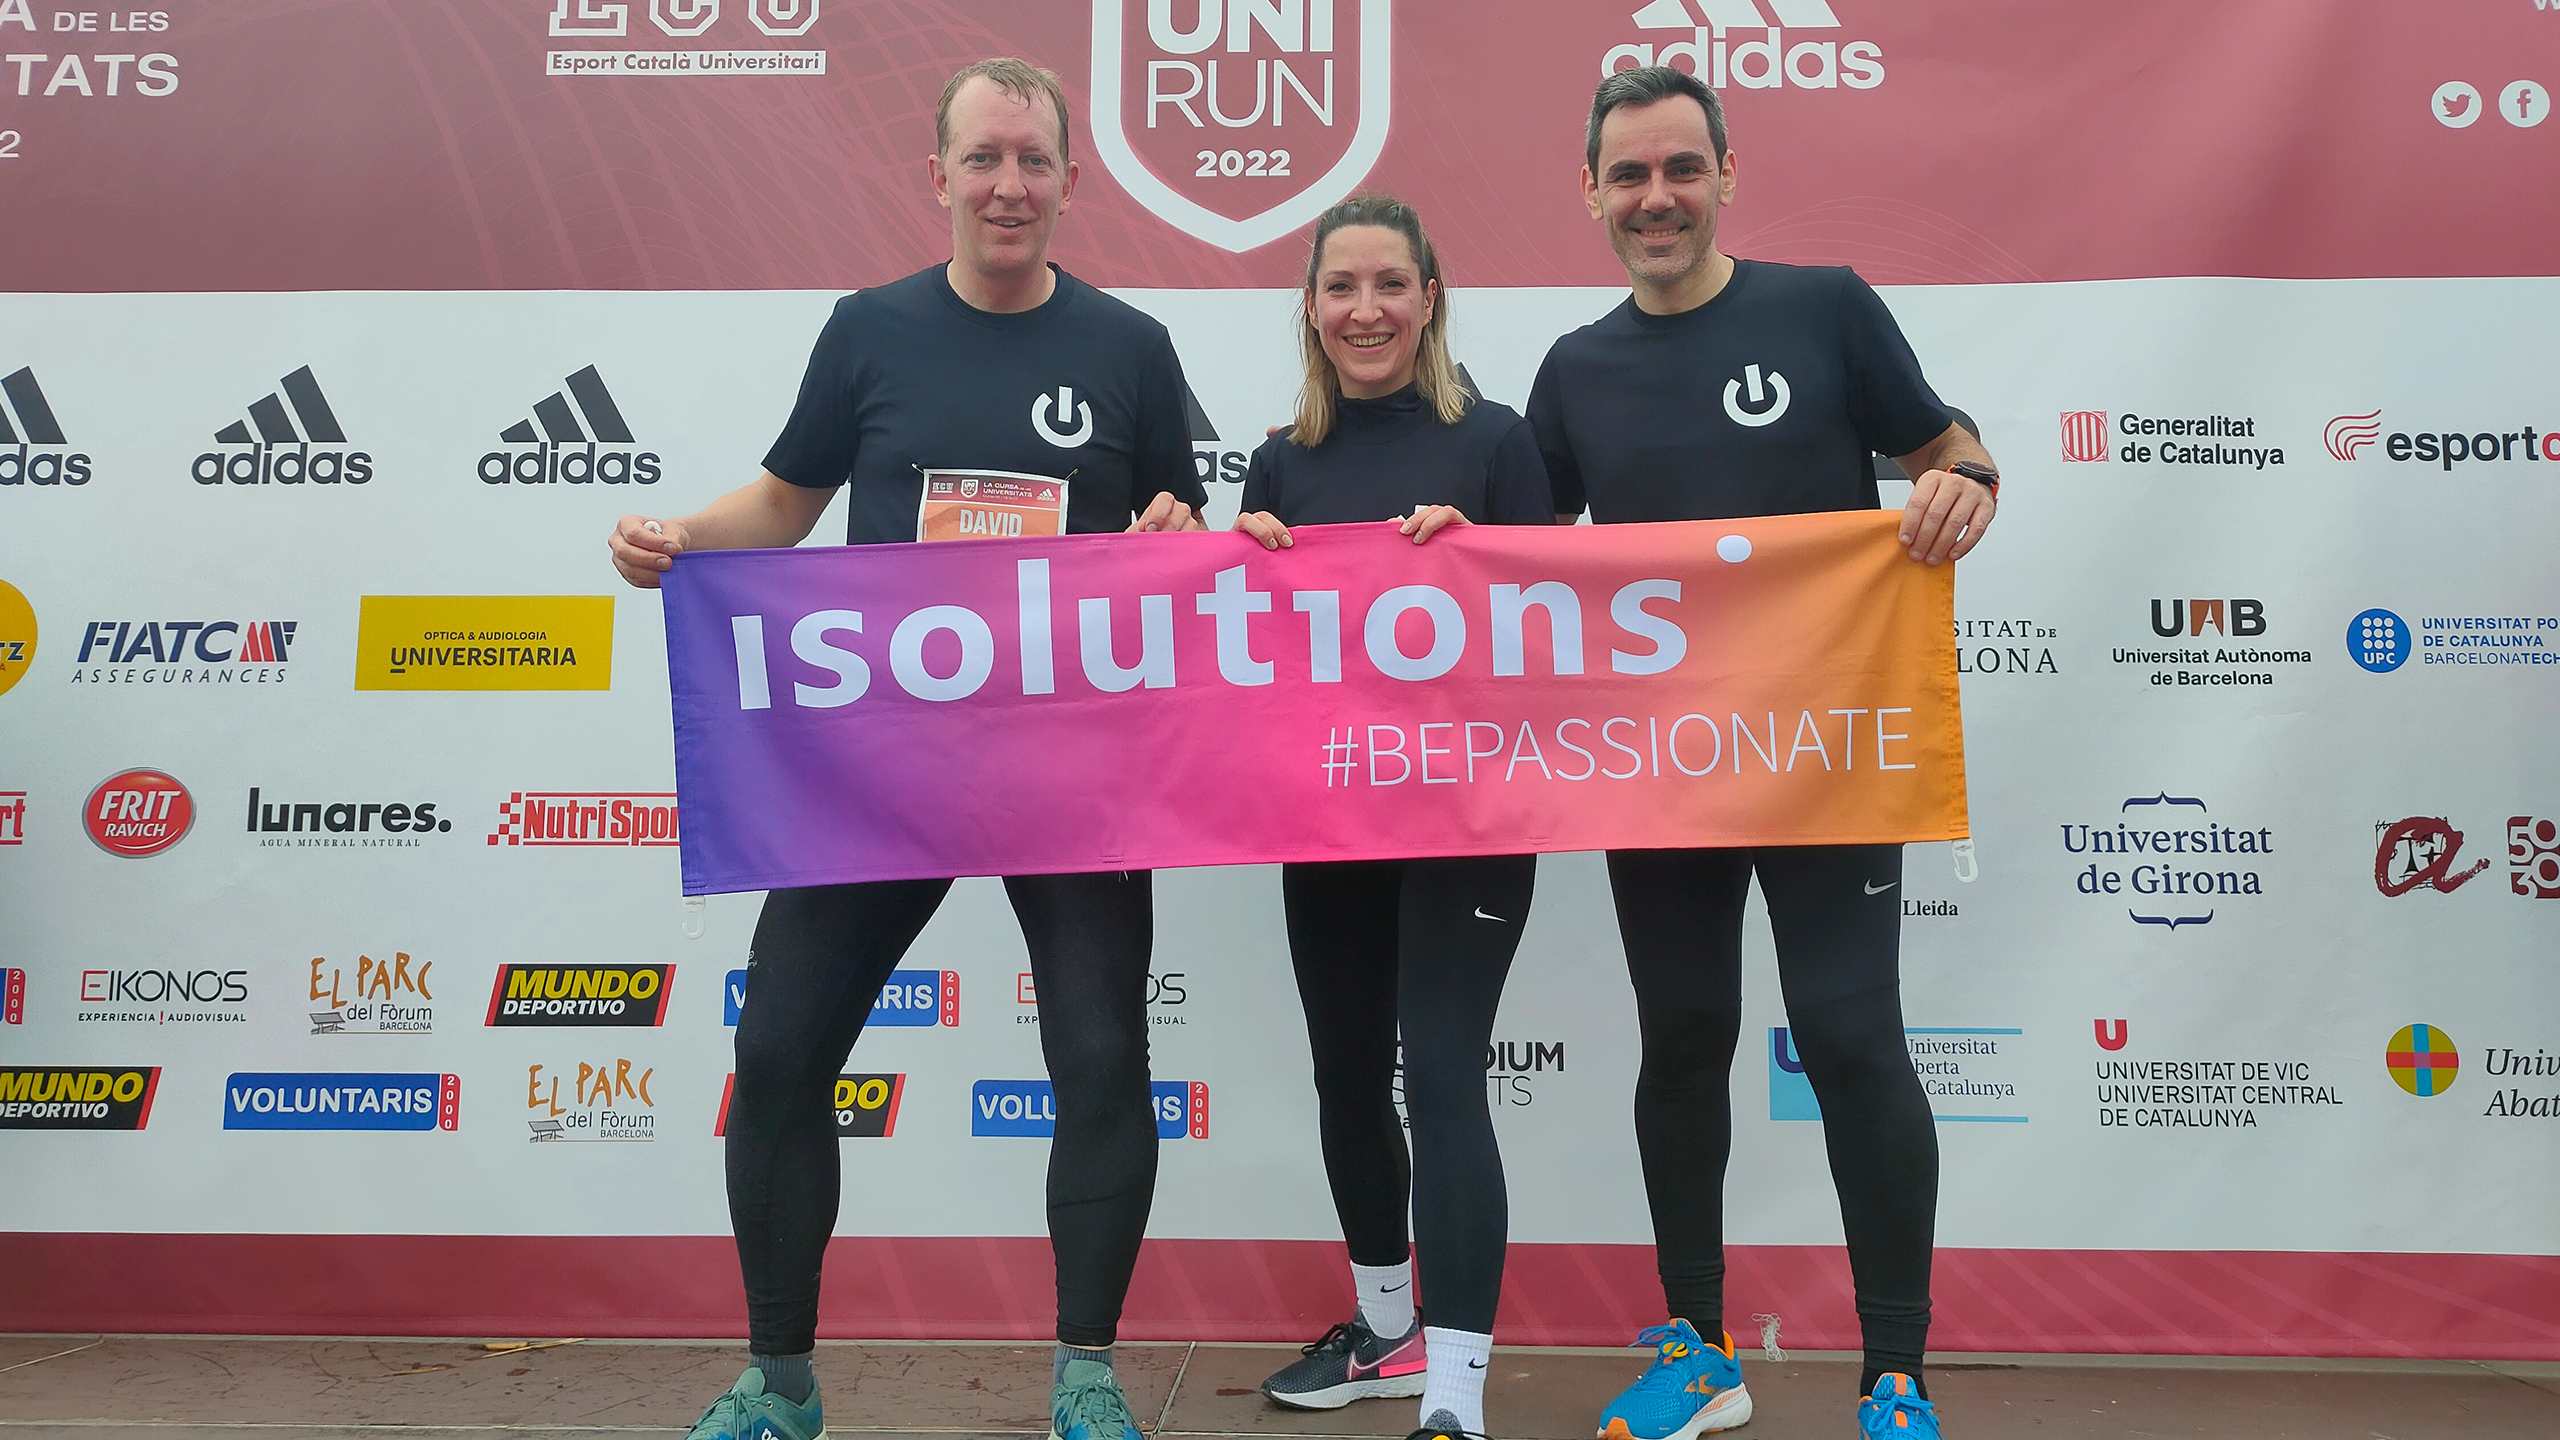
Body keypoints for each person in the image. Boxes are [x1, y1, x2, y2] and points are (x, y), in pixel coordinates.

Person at [606, 57, 1207, 1440]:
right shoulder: (868, 330)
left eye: (1034, 161)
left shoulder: (1129, 348)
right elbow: (785, 497)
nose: (1010, 186)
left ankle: (1088, 1380)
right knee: (778, 1055)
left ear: (1070, 179)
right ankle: (780, 1383)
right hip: (882, 768)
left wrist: (1171, 540)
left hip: (1069, 771)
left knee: (1103, 1060)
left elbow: (1170, 535)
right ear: (936, 176)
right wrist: (678, 541)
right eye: (984, 159)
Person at [1524, 67, 2002, 1440]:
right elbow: (1513, 558)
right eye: (1630, 176)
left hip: (1826, 749)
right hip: (1660, 765)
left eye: (1681, 168)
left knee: (1853, 1039)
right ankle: (1700, 1358)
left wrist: (1965, 486)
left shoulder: (1824, 306)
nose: (1656, 198)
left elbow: (1950, 446)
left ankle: (1895, 1372)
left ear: (1728, 173)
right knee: (1683, 1041)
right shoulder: (1574, 370)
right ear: (1593, 195)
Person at [1231, 196, 1553, 1440]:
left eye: (1389, 285)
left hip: (1467, 817)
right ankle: (1387, 1331)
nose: (1365, 310)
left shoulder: (1499, 441)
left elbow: (1558, 637)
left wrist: (1483, 558)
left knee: (1447, 1073)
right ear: (1310, 309)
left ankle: (1457, 1398)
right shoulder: (1280, 461)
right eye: (1340, 288)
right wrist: (1236, 563)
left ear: (1429, 299)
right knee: (1346, 1073)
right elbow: (1250, 661)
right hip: (1330, 814)